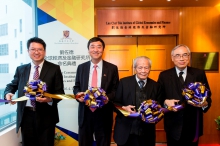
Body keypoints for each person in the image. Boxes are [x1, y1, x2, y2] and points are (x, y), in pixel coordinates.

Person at [4, 37, 64, 146]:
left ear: (44, 51)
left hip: (46, 116)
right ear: (28, 51)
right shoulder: (21, 69)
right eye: (33, 49)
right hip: (26, 115)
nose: (36, 52)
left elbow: (60, 92)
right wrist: (8, 93)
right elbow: (12, 85)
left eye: (40, 49)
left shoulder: (54, 68)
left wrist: (49, 99)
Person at [157, 44, 212, 146]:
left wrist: (204, 103)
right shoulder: (164, 75)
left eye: (185, 55)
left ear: (189, 57)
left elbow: (208, 96)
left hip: (193, 125)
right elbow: (158, 98)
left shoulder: (199, 73)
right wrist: (165, 102)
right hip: (172, 126)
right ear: (172, 58)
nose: (181, 58)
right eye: (178, 55)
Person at [73, 37, 119, 146]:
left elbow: (115, 89)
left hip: (104, 112)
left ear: (103, 49)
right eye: (92, 47)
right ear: (88, 50)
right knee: (84, 142)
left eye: (99, 47)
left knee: (103, 142)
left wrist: (107, 97)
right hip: (85, 111)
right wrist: (77, 94)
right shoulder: (81, 67)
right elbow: (76, 87)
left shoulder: (112, 68)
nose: (96, 49)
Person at [113, 56, 161, 146]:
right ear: (134, 68)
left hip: (146, 133)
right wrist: (124, 109)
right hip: (126, 131)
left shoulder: (155, 85)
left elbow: (159, 108)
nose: (143, 71)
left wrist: (153, 117)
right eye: (140, 67)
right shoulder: (124, 82)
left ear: (150, 68)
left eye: (146, 67)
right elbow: (115, 104)